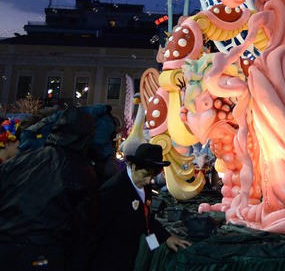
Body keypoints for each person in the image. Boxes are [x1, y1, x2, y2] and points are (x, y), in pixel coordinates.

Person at [0, 106, 100, 271]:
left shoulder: (20, 160)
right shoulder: (82, 172)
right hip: (45, 252)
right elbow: (85, 220)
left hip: (7, 246)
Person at [83, 143, 190, 270]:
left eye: (152, 176)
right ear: (134, 167)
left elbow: (145, 217)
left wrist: (166, 237)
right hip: (107, 260)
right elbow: (95, 231)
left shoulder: (144, 183)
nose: (148, 180)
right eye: (145, 175)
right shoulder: (113, 190)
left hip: (127, 256)